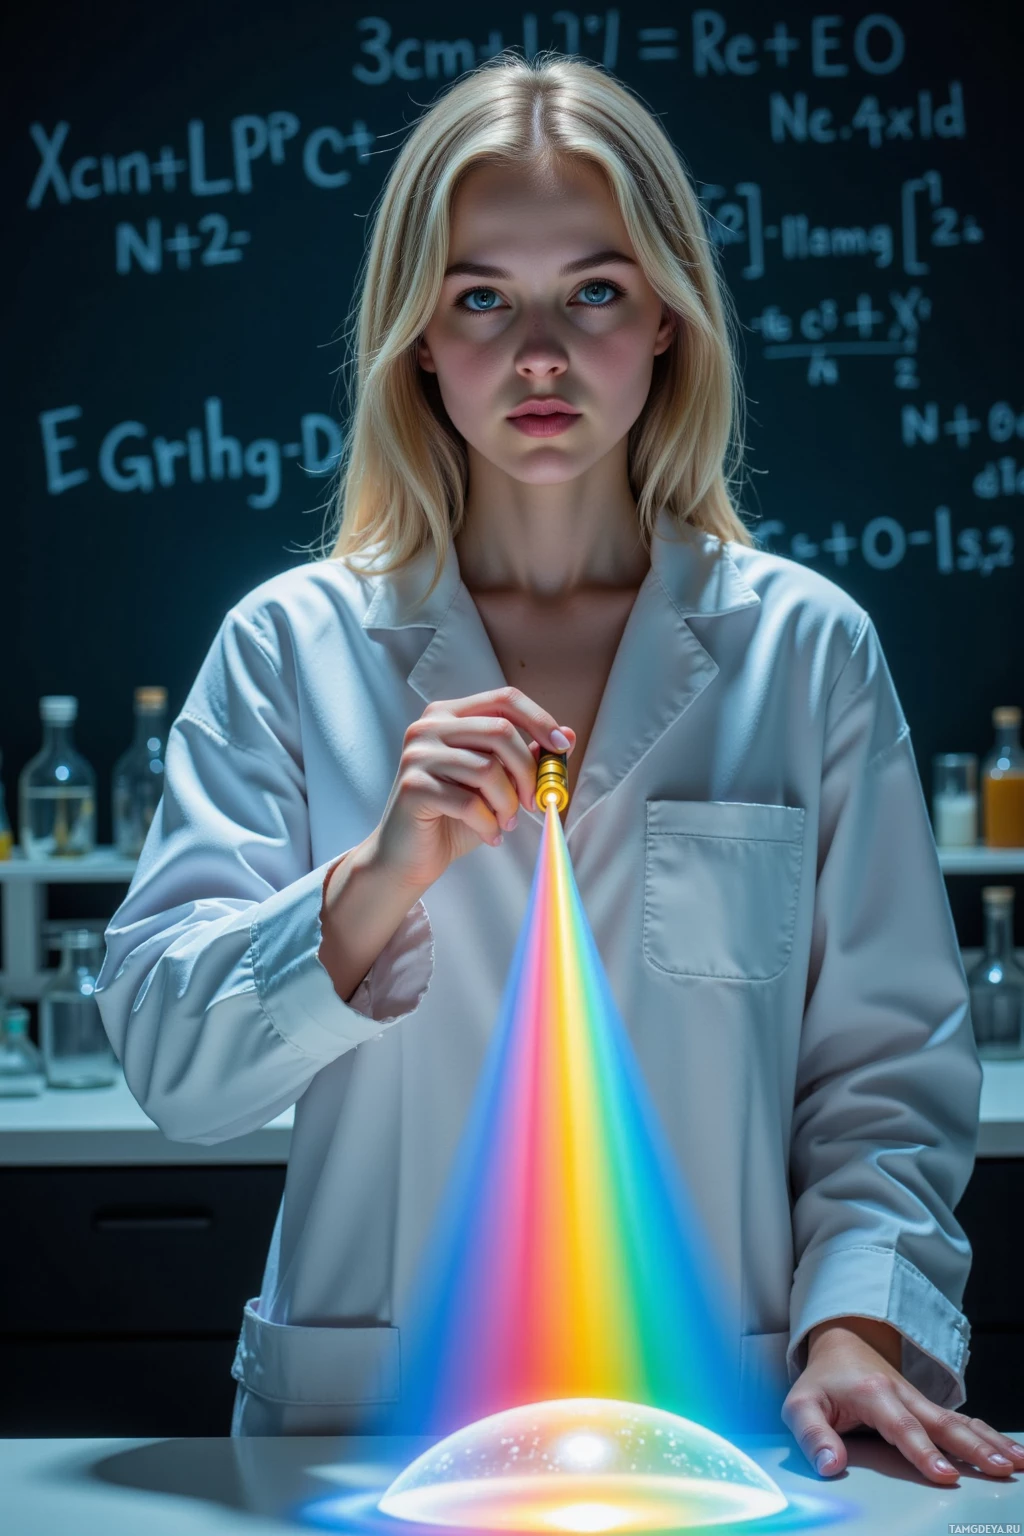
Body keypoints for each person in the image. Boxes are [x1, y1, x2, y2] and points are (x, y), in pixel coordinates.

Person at [95, 51, 1022, 1482]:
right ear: (416, 335)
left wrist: (856, 1327)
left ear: (666, 322)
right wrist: (371, 880)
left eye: (593, 292)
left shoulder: (804, 650)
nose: (539, 354)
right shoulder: (290, 647)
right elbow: (173, 1069)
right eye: (482, 298)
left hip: (719, 1427)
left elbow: (886, 1072)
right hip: (374, 1430)